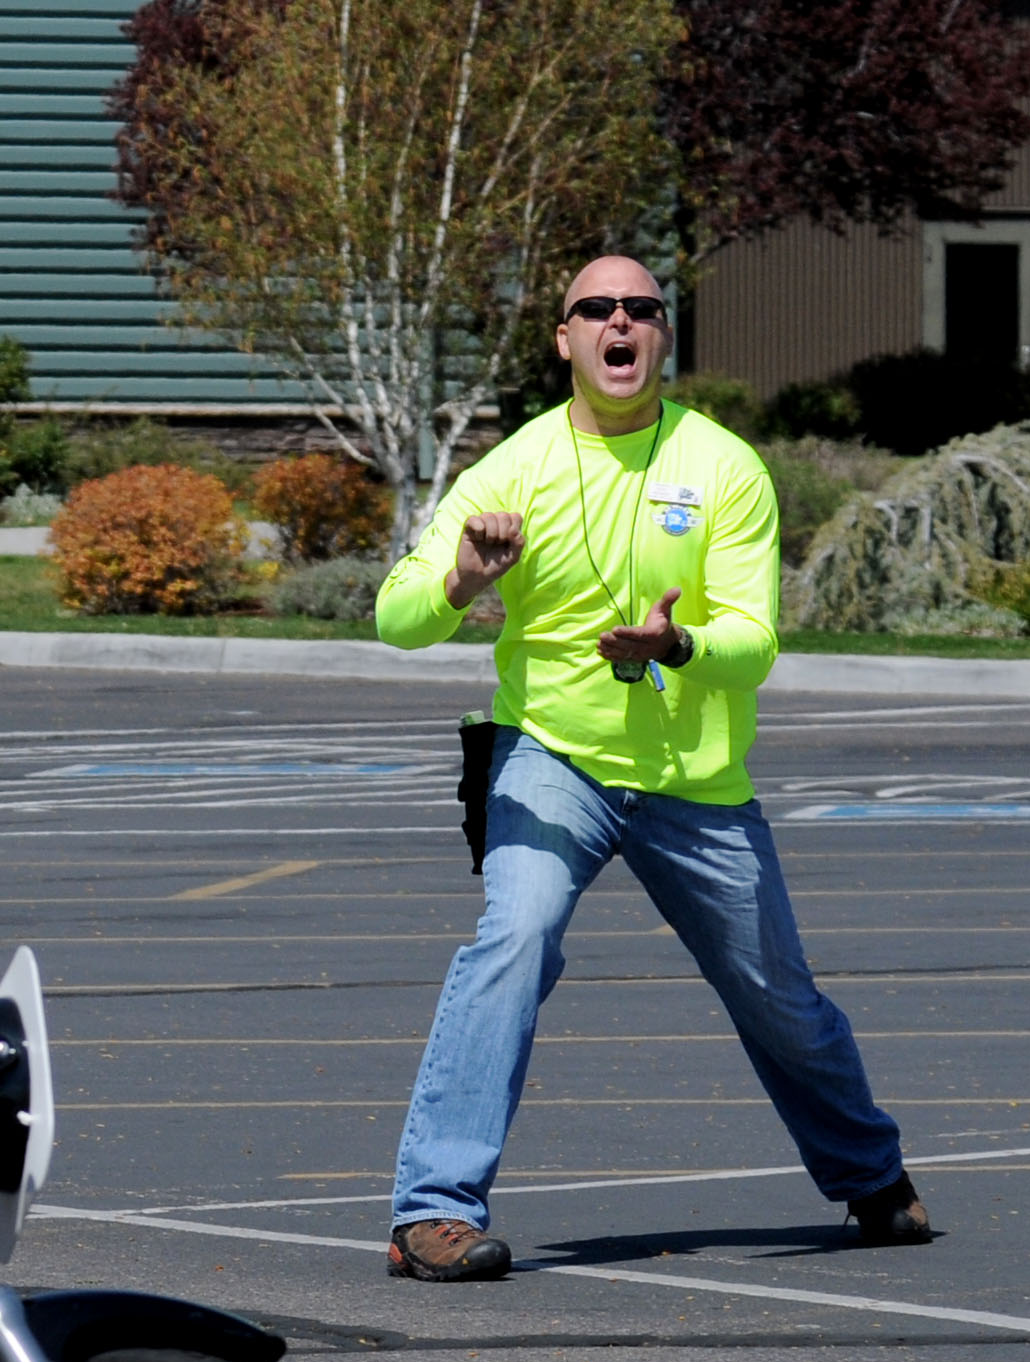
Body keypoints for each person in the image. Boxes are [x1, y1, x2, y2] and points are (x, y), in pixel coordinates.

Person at [369, 256, 927, 1283]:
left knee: (775, 992)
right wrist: (460, 578)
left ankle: (872, 1176)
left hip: (693, 780)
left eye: (641, 310)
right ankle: (431, 1211)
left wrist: (676, 649)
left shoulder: (723, 467)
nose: (619, 324)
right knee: (515, 934)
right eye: (597, 310)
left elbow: (753, 641)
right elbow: (395, 617)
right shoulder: (509, 472)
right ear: (564, 337)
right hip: (553, 759)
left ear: (661, 337)